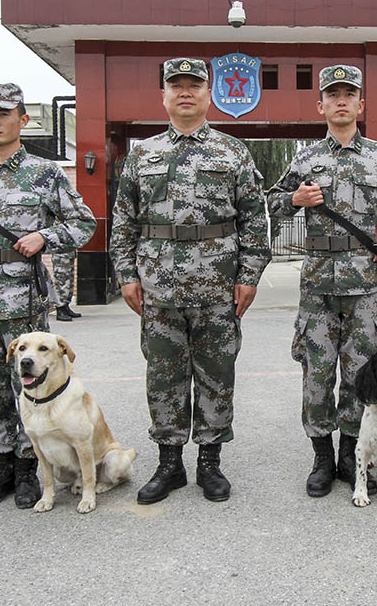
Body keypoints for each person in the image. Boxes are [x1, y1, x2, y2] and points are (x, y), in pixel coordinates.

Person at [110, 58, 270, 504]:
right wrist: (127, 275)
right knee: (163, 376)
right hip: (158, 287)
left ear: (208, 94)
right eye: (175, 85)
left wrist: (250, 276)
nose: (185, 92)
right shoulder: (143, 153)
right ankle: (169, 464)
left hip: (219, 287)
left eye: (194, 85)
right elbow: (124, 221)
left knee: (218, 374)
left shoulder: (233, 152)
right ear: (163, 95)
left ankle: (210, 463)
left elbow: (255, 221)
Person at [0, 83, 97, 509]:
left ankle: (29, 467)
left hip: (21, 297)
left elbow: (83, 224)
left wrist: (44, 236)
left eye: (3, 114)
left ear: (23, 120)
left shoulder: (45, 174)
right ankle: (1, 465)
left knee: (28, 384)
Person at [267, 64, 377, 497]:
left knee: (359, 374)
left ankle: (351, 453)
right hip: (317, 284)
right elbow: (273, 205)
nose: (340, 100)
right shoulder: (305, 158)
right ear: (321, 105)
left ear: (360, 105)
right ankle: (321, 456)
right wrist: (295, 198)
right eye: (332, 94)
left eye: (349, 94)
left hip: (366, 285)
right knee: (316, 372)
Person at [52, 250, 81, 321]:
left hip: (69, 254)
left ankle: (66, 307)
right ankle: (60, 309)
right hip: (61, 256)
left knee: (69, 282)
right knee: (61, 282)